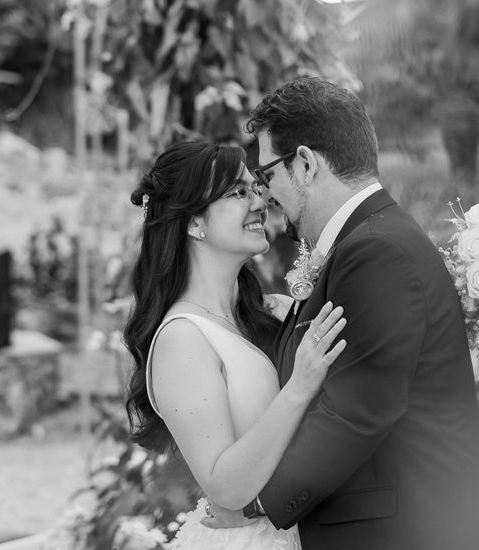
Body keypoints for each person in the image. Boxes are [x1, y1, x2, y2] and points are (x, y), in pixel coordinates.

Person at [204, 77, 479, 550]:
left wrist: (255, 503)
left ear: (305, 163)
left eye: (267, 176)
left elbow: (355, 412)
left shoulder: (376, 252)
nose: (264, 196)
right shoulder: (364, 243)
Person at [123, 141, 348, 550]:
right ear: (194, 223)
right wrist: (300, 385)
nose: (259, 202)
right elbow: (225, 487)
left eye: (255, 188)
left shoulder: (265, 314)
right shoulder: (181, 338)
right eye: (237, 193)